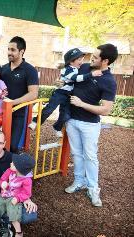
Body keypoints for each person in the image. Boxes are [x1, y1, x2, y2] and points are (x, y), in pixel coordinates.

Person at [64, 44, 118, 207]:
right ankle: (79, 181)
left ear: (105, 61)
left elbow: (106, 110)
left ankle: (93, 188)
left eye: (95, 57)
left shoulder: (109, 81)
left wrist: (81, 104)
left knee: (90, 156)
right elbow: (70, 77)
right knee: (76, 154)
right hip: (72, 120)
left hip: (90, 125)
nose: (90, 59)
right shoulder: (84, 67)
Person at [28, 48, 102, 137]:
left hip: (68, 95)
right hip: (60, 93)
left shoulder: (77, 68)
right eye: (79, 59)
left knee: (66, 115)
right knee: (49, 110)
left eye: (82, 59)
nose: (81, 61)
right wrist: (91, 74)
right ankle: (35, 121)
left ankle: (57, 127)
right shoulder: (67, 69)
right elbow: (76, 78)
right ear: (71, 62)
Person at [1, 36, 39, 153]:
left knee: (12, 147)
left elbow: (33, 94)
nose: (9, 52)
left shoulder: (30, 70)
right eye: (8, 49)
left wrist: (13, 103)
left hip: (18, 114)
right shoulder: (3, 69)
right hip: (1, 112)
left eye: (13, 50)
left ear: (21, 51)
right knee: (0, 145)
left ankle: (14, 168)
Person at [0, 153, 35, 237]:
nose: (11, 163)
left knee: (13, 211)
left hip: (14, 198)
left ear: (19, 168)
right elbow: (2, 179)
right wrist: (3, 184)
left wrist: (17, 198)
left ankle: (18, 232)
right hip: (4, 195)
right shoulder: (9, 171)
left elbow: (27, 193)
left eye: (13, 163)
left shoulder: (27, 180)